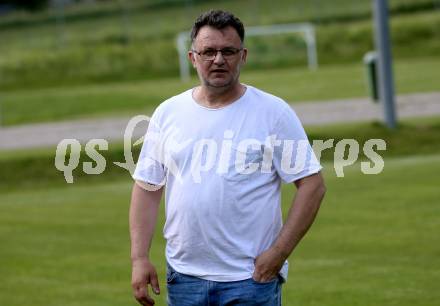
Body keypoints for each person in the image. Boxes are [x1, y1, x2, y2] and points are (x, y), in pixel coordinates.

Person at [129, 9, 326, 306]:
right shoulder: (168, 113)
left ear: (243, 56)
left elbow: (313, 185)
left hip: (250, 280)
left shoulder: (273, 113)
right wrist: (139, 258)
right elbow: (147, 188)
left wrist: (278, 254)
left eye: (228, 51)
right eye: (208, 51)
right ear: (192, 58)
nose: (218, 60)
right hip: (183, 278)